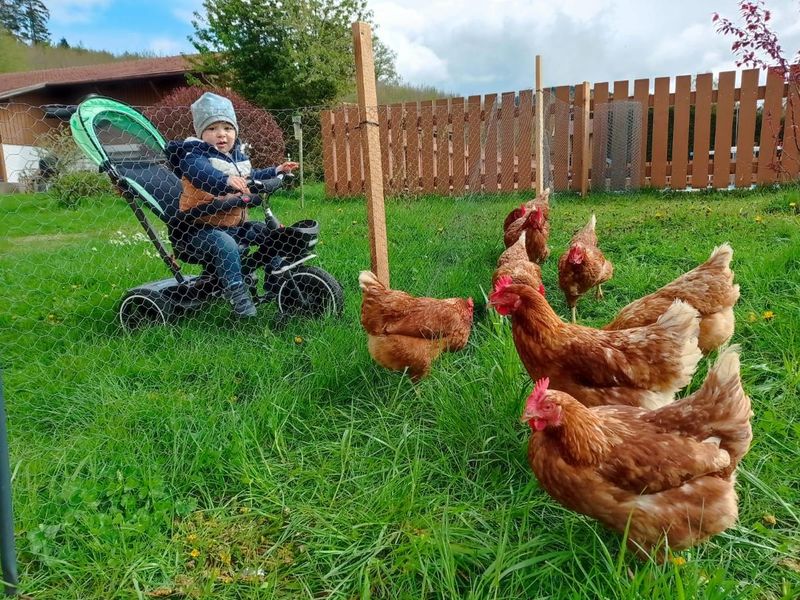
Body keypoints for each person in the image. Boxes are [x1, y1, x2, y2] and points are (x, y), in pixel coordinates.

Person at [168, 92, 298, 318]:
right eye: (212, 129)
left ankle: (277, 280)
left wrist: (277, 171)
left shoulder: (236, 158)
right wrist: (225, 181)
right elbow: (202, 174)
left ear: (235, 131)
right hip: (198, 230)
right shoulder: (193, 156)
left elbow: (251, 175)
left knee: (272, 234)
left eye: (227, 128)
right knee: (225, 244)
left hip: (235, 226)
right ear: (201, 133)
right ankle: (237, 292)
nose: (221, 134)